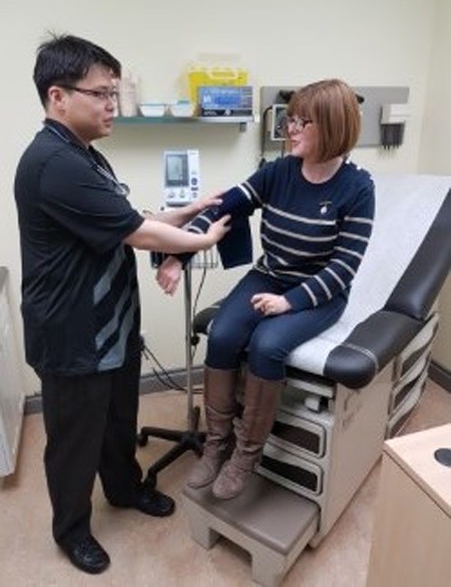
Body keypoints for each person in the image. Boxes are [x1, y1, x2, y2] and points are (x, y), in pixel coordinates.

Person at [14, 34, 230, 575]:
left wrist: (186, 212)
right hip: (72, 333)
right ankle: (72, 530)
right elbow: (135, 233)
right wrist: (202, 240)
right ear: (58, 96)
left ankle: (124, 489)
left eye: (115, 92)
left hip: (110, 323)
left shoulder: (87, 157)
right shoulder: (52, 164)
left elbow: (128, 219)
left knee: (117, 420)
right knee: (73, 443)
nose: (114, 105)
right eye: (102, 94)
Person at [156, 79, 375, 500]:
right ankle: (217, 444)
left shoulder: (357, 188)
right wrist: (176, 256)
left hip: (319, 291)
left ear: (330, 125)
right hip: (269, 274)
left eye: (301, 122)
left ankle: (245, 455)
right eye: (289, 119)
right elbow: (225, 207)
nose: (289, 129)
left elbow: (345, 266)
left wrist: (288, 302)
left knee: (267, 345)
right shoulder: (279, 172)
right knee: (221, 333)